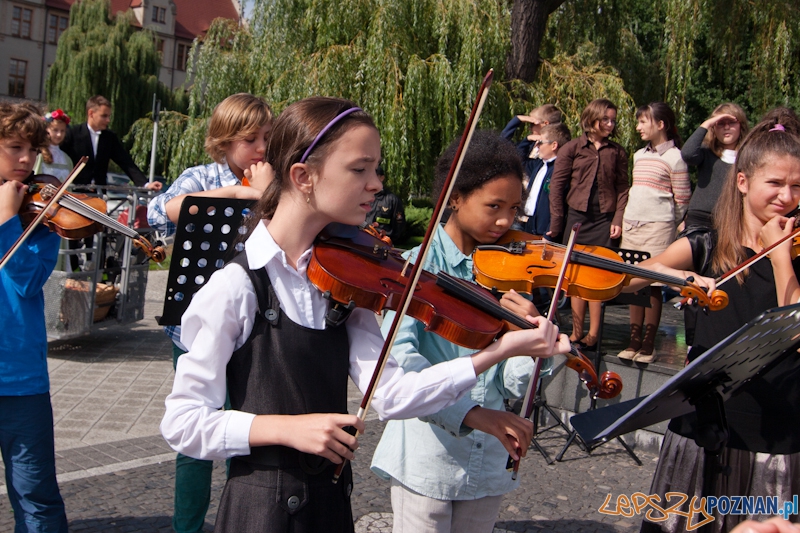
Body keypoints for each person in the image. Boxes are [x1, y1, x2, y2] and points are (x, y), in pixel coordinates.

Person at [159, 97, 570, 532]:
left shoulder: (343, 284)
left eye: (376, 169)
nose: (376, 184)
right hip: (260, 514)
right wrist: (284, 429)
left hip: (331, 508)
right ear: (303, 176)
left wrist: (497, 351)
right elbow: (183, 423)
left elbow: (393, 395)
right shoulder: (236, 287)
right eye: (360, 169)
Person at [370, 130, 551, 533]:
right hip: (426, 458)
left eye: (515, 209)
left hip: (490, 458)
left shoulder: (510, 272)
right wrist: (471, 413)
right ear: (455, 197)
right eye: (493, 206)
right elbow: (401, 365)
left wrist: (536, 341)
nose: (506, 221)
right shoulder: (415, 269)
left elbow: (515, 385)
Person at [634, 109, 800, 533]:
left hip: (776, 434)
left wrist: (781, 258)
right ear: (742, 182)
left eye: (797, 186)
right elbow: (632, 277)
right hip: (703, 428)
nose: (787, 197)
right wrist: (684, 278)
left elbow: (793, 327)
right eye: (776, 183)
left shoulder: (794, 256)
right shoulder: (707, 245)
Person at [147, 92, 273, 533]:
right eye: (250, 139)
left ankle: (248, 520)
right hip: (196, 329)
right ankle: (188, 527)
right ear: (224, 141)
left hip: (257, 329)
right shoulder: (201, 176)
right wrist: (241, 192)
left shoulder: (275, 180)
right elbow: (165, 209)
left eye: (267, 137)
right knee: (195, 440)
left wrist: (268, 193)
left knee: (251, 431)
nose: (261, 147)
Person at [0, 102, 68, 532]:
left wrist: (9, 219)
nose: (27, 159)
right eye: (14, 148)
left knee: (36, 494)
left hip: (21, 377)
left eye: (33, 149)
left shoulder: (40, 220)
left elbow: (27, 282)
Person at [549, 98, 629, 350]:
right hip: (577, 218)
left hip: (604, 219)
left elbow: (623, 188)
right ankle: (576, 331)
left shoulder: (617, 152)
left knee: (597, 276)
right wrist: (557, 222)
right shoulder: (572, 148)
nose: (610, 123)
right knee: (574, 276)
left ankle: (594, 333)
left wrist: (618, 219)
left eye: (613, 120)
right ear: (591, 119)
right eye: (605, 119)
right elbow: (557, 188)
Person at [617, 103, 690, 364]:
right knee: (633, 284)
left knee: (654, 282)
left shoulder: (676, 157)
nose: (638, 127)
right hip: (632, 226)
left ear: (661, 124)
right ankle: (633, 339)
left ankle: (649, 343)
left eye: (643, 122)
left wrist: (668, 224)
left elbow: (682, 200)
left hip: (658, 228)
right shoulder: (639, 155)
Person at [682, 103, 749, 231]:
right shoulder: (706, 152)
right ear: (714, 127)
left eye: (732, 122)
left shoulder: (748, 156)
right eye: (720, 123)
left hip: (731, 221)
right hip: (699, 219)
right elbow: (687, 154)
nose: (726, 127)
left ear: (741, 126)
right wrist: (707, 124)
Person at [517, 122, 571, 236]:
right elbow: (518, 158)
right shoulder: (539, 165)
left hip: (544, 230)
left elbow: (558, 203)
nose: (537, 146)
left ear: (554, 145)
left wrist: (549, 231)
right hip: (529, 224)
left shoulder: (561, 170)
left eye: (540, 142)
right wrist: (528, 139)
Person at [501, 104, 564, 181]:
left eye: (532, 124)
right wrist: (517, 120)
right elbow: (502, 144)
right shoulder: (530, 144)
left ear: (546, 124)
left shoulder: (552, 150)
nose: (529, 128)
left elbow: (522, 163)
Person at [362, 165, 406, 241]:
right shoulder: (361, 197)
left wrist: (390, 238)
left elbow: (399, 223)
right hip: (361, 239)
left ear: (382, 178)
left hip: (382, 243)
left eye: (375, 175)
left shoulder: (392, 200)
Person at [33, 109, 74, 182]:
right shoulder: (40, 155)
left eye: (62, 131)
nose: (59, 134)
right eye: (55, 130)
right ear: (47, 130)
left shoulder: (67, 159)